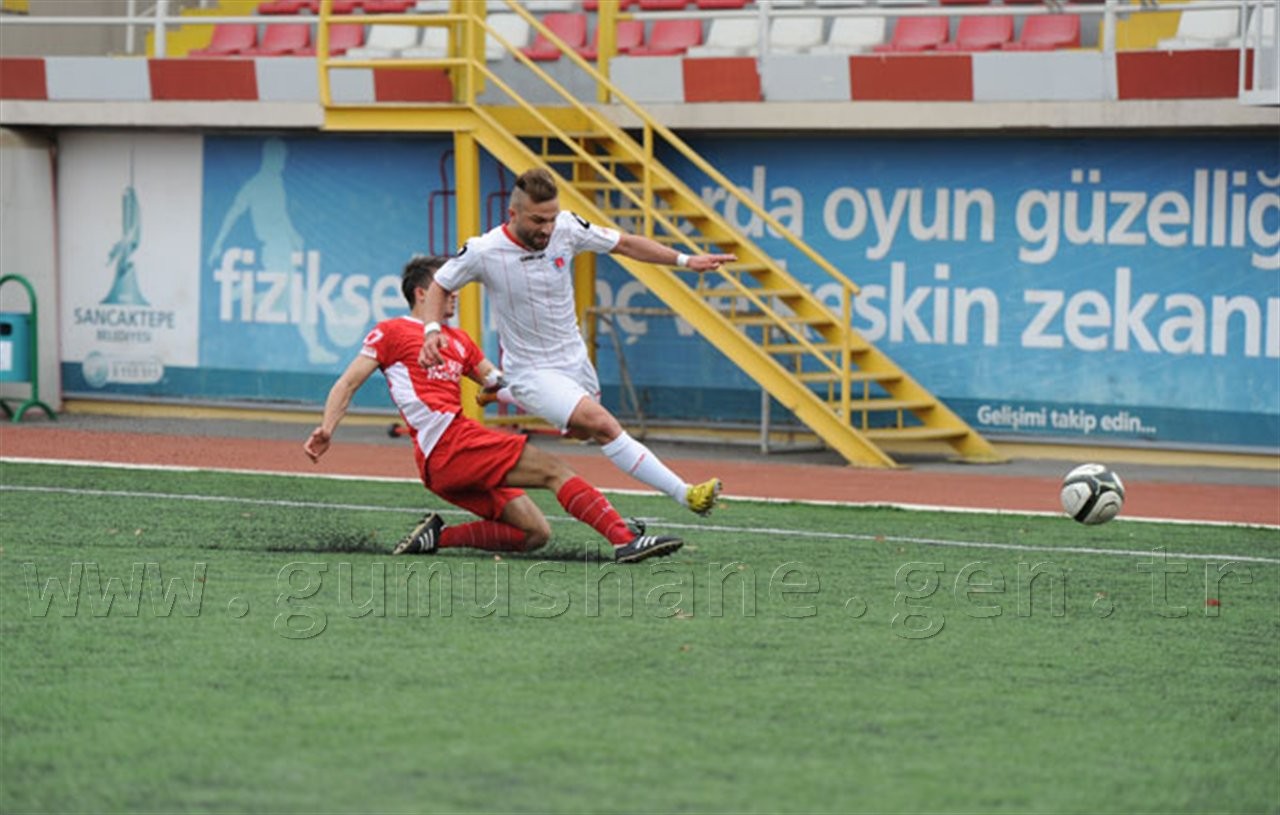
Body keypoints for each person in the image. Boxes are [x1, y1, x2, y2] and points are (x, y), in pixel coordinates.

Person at [304, 255, 683, 564]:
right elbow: (348, 382)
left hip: (452, 456)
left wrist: (562, 406)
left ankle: (437, 537)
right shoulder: (392, 331)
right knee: (555, 471)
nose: (454, 293)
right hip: (446, 444)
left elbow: (500, 384)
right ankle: (623, 540)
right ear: (422, 293)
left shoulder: (459, 340)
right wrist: (327, 428)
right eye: (445, 287)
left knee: (535, 534)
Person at [417, 168, 736, 517]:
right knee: (602, 426)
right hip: (532, 370)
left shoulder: (567, 228)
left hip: (574, 361)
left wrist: (686, 260)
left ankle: (502, 389)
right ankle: (686, 493)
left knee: (582, 431)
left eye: (551, 218)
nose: (547, 228)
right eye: (538, 220)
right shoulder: (484, 250)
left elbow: (625, 243)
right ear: (513, 214)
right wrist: (432, 328)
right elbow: (441, 284)